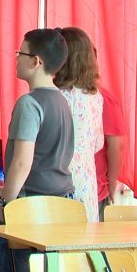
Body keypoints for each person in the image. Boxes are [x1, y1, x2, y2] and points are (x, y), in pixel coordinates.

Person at [0, 28, 74, 272]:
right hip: (63, 201)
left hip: (32, 206)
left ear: (36, 61)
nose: (16, 58)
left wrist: (5, 202)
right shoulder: (62, 101)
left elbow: (21, 162)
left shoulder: (29, 103)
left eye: (21, 53)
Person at [54, 27, 103, 222]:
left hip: (62, 179)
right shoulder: (95, 96)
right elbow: (98, 143)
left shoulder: (61, 96)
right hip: (87, 179)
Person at [95, 86, 126, 221]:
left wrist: (111, 183)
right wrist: (111, 183)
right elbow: (117, 145)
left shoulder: (103, 99)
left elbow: (116, 145)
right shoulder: (103, 97)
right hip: (93, 187)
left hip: (94, 187)